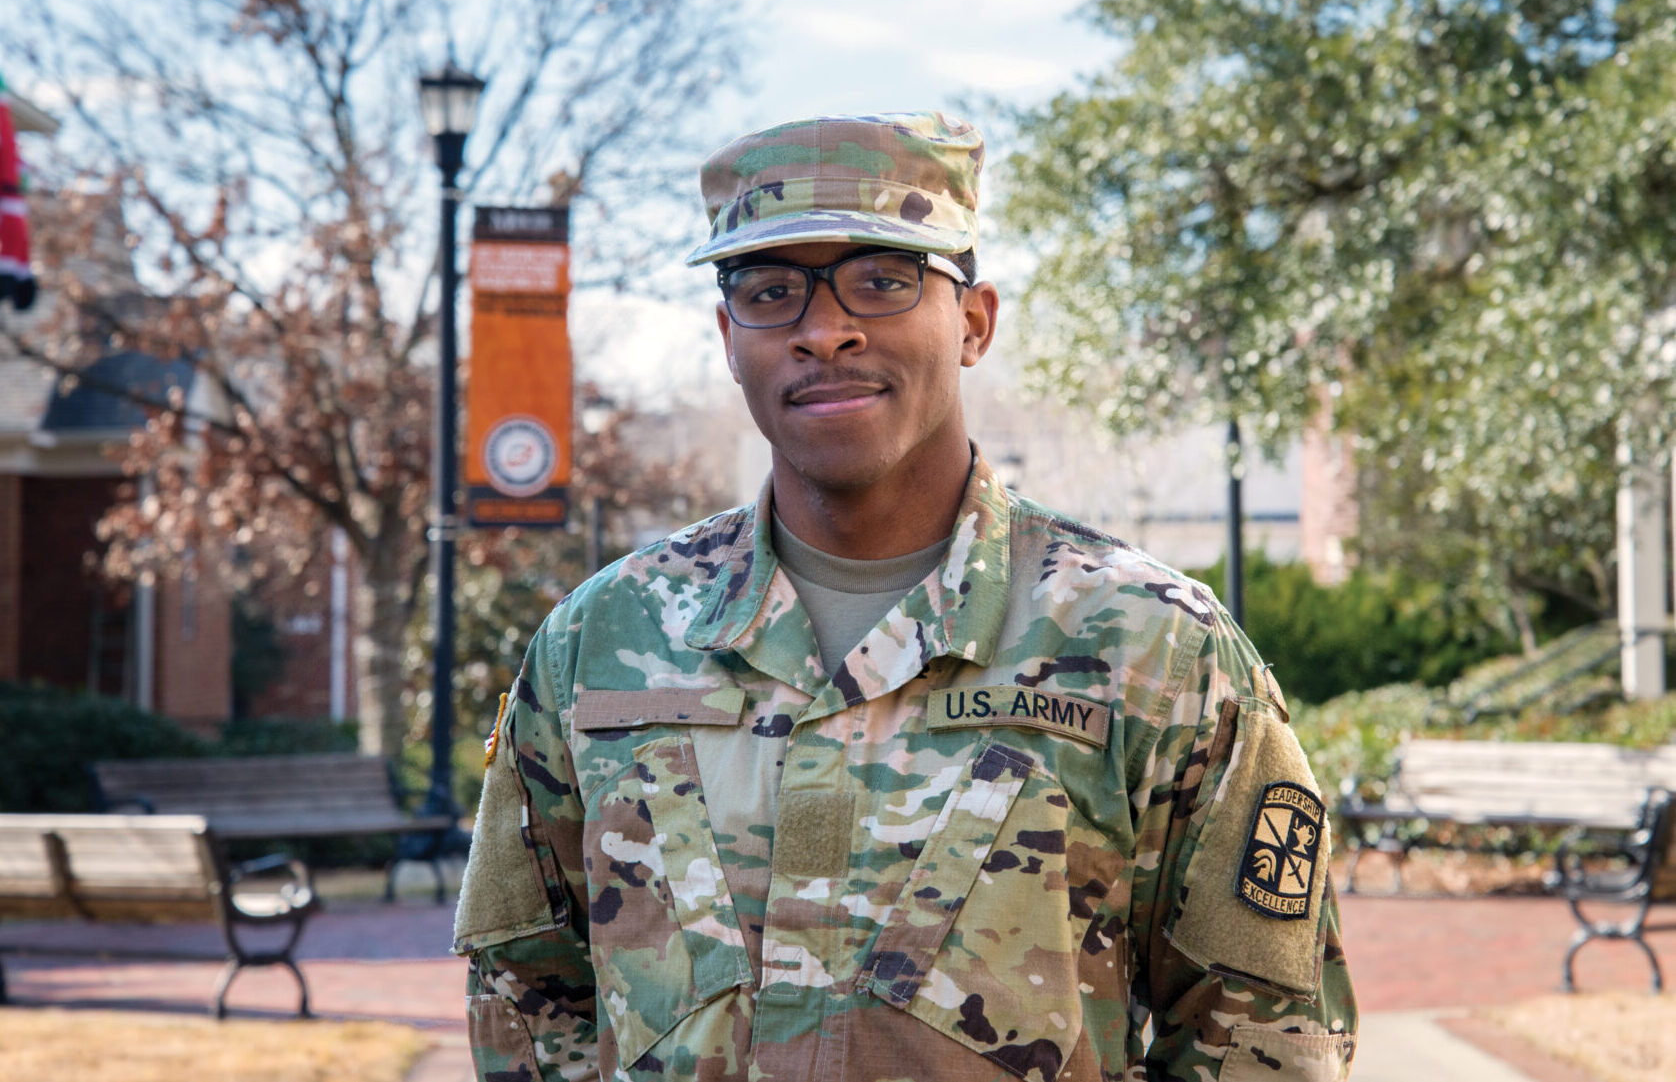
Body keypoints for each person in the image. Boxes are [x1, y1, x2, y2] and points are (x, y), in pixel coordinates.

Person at [453, 111, 1358, 1082]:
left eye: (883, 279)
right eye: (769, 291)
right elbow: (526, 998)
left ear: (973, 322)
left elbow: (1266, 1035)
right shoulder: (599, 642)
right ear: (727, 337)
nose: (823, 330)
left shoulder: (1153, 648)